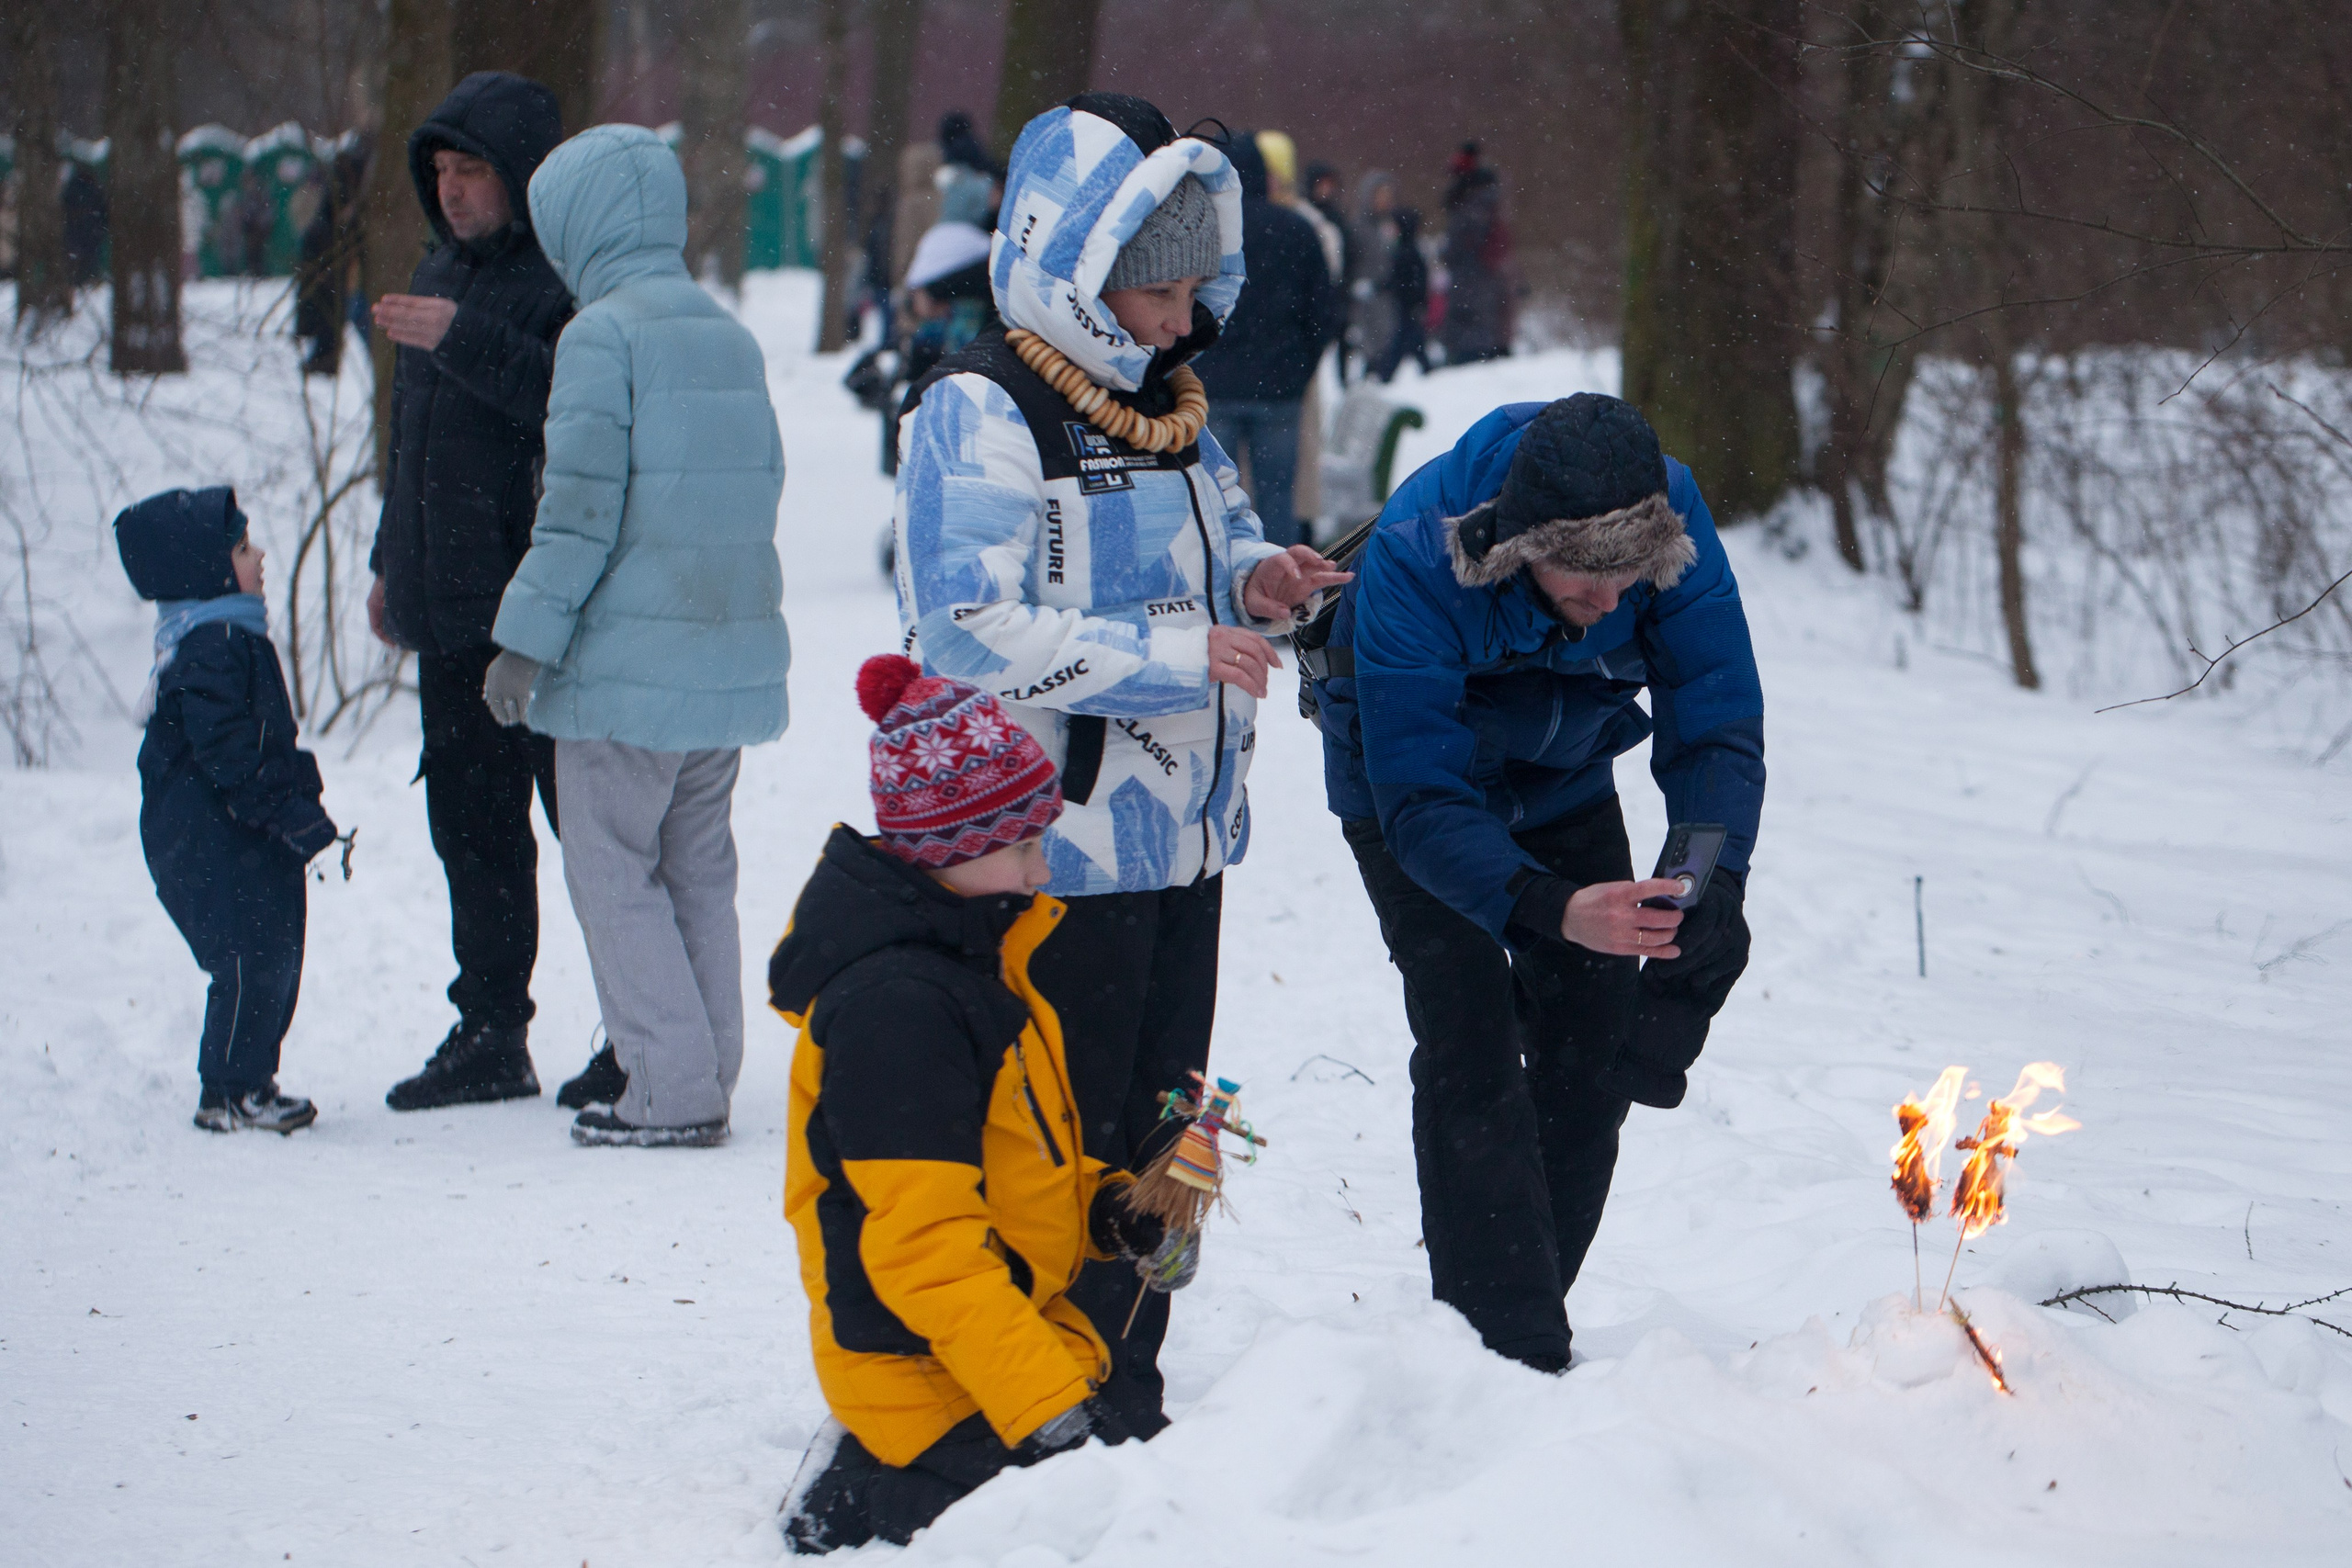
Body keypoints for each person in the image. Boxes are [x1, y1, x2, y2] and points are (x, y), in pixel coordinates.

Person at [891, 92, 1350, 1432]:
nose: (1185, 315)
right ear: (1078, 276)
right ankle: (1024, 1382)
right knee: (1047, 1147)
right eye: (1158, 289)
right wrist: (1172, 654)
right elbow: (959, 627)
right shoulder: (979, 410)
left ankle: (1125, 1370)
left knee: (1164, 1139)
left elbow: (1229, 555)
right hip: (1054, 857)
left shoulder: (1181, 413)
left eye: (1199, 285)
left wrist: (1266, 580)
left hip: (1187, 847)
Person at [1306, 394, 1764, 1371]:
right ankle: (1499, 1349)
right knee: (1468, 1030)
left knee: (1591, 1037)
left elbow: (1715, 716)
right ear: (1516, 547)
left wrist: (1703, 879)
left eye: (1629, 578)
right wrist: (1547, 908)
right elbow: (1420, 801)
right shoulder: (1416, 553)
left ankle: (1521, 1301)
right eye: (1586, 579)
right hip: (1406, 791)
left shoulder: (1667, 520)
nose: (1611, 602)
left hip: (1559, 776)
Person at [770, 656, 1198, 1553]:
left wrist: (1103, 1208)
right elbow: (922, 1249)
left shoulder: (975, 956)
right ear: (953, 848)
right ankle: (870, 1492)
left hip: (986, 1344)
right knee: (1112, 1524)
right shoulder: (898, 1009)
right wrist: (1046, 1413)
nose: (1043, 870)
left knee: (1163, 1479)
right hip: (919, 1369)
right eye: (1023, 845)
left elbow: (1016, 1160)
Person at [485, 123, 789, 1149]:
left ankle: (668, 1085)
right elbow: (757, 492)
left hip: (623, 670)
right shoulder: (727, 333)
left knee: (611, 869)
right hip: (719, 663)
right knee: (699, 866)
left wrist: (523, 641)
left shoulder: (600, 336)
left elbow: (576, 511)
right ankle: (708, 1060)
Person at [368, 73, 577, 1114]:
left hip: (541, 615)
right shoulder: (437, 266)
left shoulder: (565, 278)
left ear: (522, 175)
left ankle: (649, 1028)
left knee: (586, 829)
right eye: (440, 173)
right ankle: (492, 1030)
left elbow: (566, 401)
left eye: (473, 171)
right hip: (449, 607)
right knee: (473, 831)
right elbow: (414, 447)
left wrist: (459, 335)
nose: (451, 193)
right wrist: (385, 564)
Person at [115, 487, 340, 1135]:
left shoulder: (227, 636)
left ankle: (248, 1080)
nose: (260, 554)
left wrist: (296, 800)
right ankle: (229, 1089)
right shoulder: (211, 645)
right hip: (212, 839)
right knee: (247, 956)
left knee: (271, 950)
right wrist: (287, 808)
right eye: (243, 546)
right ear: (209, 571)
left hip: (243, 832)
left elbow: (262, 743)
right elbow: (231, 753)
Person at [1192, 130, 1344, 548]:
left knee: (1214, 499)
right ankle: (1280, 589)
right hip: (1278, 392)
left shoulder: (1206, 231)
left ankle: (1221, 586)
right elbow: (1324, 314)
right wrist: (1299, 372)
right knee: (1278, 498)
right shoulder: (1297, 230)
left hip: (1214, 388)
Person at [1441, 141, 1514, 365]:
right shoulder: (1483, 198)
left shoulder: (1474, 201)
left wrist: (1451, 254)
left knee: (1472, 319)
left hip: (1473, 273)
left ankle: (1472, 357)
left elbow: (1467, 239)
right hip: (1474, 274)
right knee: (1475, 317)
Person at [1369, 208, 1432, 382]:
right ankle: (1386, 375)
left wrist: (1378, 287)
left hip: (1408, 306)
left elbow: (1401, 281)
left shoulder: (1406, 251)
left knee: (1404, 342)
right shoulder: (1409, 249)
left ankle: (1384, 376)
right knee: (1412, 343)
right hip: (1409, 306)